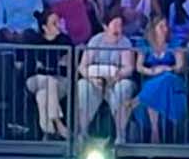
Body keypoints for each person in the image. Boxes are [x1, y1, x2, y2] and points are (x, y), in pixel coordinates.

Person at [77, 14, 137, 141]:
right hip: (96, 80)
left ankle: (121, 135)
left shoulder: (125, 42)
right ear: (105, 26)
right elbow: (82, 67)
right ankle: (82, 133)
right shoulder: (95, 40)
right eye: (115, 25)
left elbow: (129, 67)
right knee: (83, 87)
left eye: (120, 25)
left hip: (116, 80)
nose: (118, 29)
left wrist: (116, 77)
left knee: (123, 88)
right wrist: (92, 79)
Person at [134, 17, 187, 142]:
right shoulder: (144, 44)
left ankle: (137, 101)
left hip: (172, 80)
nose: (165, 29)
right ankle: (155, 130)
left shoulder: (174, 43)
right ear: (153, 29)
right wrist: (152, 71)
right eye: (161, 26)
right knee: (155, 87)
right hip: (151, 79)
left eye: (166, 26)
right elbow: (139, 66)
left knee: (165, 79)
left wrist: (166, 69)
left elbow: (180, 66)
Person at [26, 9, 74, 140]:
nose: (58, 25)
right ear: (45, 27)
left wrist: (46, 66)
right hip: (35, 80)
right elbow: (32, 66)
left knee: (43, 95)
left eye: (59, 22)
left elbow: (66, 66)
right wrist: (54, 65)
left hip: (61, 81)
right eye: (54, 23)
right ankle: (58, 123)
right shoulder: (36, 41)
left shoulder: (65, 40)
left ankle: (48, 131)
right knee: (49, 81)